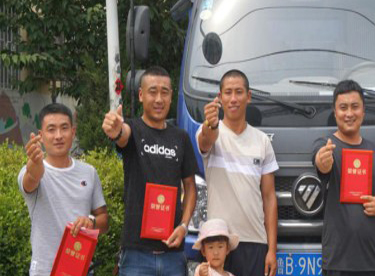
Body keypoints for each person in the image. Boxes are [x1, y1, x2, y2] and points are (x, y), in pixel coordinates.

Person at [102, 66, 198, 276]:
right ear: (141, 95)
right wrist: (116, 131)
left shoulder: (181, 138)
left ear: (171, 97)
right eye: (152, 92)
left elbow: (191, 188)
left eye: (165, 92)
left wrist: (184, 226)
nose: (159, 99)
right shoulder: (133, 129)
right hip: (136, 255)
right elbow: (122, 135)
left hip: (173, 255)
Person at [196, 69, 278, 276]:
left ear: (248, 96)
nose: (233, 99)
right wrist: (210, 124)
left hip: (255, 242)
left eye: (239, 92)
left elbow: (269, 197)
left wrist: (272, 249)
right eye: (228, 92)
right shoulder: (209, 131)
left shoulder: (262, 141)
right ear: (220, 97)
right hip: (219, 243)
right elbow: (206, 140)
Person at [312, 79, 375, 276]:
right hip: (338, 262)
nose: (349, 113)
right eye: (343, 108)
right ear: (335, 112)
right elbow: (321, 163)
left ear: (363, 111)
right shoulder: (326, 146)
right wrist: (323, 160)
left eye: (355, 107)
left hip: (373, 261)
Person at [18, 103, 109, 276]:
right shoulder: (29, 171)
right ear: (41, 136)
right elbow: (32, 179)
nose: (58, 136)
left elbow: (104, 221)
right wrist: (35, 164)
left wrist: (91, 222)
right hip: (44, 271)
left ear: (73, 132)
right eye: (51, 129)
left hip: (81, 269)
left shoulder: (89, 172)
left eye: (64, 128)